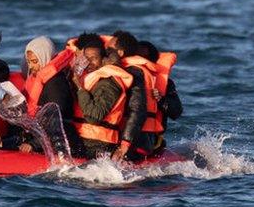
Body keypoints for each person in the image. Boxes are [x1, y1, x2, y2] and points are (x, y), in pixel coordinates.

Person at [70, 32, 134, 159]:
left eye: (94, 58)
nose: (89, 63)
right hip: (85, 140)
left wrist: (79, 87)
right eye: (86, 59)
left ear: (103, 60)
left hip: (98, 145)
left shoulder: (109, 82)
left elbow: (95, 116)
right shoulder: (91, 78)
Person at [18, 36, 80, 155]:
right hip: (41, 138)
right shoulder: (37, 79)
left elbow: (54, 121)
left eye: (35, 62)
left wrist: (33, 144)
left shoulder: (56, 83)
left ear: (45, 57)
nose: (31, 67)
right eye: (29, 62)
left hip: (61, 144)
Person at [107, 30, 152, 161]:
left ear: (120, 53)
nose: (105, 52)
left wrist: (125, 144)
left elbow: (137, 110)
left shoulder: (134, 74)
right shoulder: (121, 70)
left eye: (109, 50)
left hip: (137, 142)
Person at [138, 40, 182, 154]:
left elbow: (176, 112)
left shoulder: (165, 84)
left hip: (150, 141)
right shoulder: (119, 78)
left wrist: (160, 99)